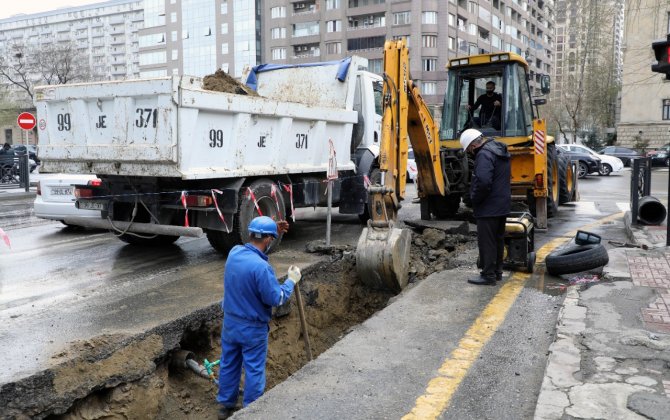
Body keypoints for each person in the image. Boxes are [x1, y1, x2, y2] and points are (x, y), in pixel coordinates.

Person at [217, 216, 301, 419]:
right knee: (254, 369)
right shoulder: (262, 268)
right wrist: (291, 281)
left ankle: (225, 406)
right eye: (271, 238)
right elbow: (276, 297)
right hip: (252, 328)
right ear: (268, 240)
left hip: (230, 323)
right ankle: (252, 411)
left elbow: (259, 237)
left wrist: (272, 228)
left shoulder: (234, 253)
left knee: (229, 363)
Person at [460, 128, 511, 285]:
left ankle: (488, 275)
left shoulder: (483, 154)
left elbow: (483, 181)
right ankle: (497, 272)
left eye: (469, 150)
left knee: (487, 241)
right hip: (502, 204)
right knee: (497, 240)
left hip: (488, 207)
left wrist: (474, 198)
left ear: (473, 146)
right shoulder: (499, 150)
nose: (470, 153)